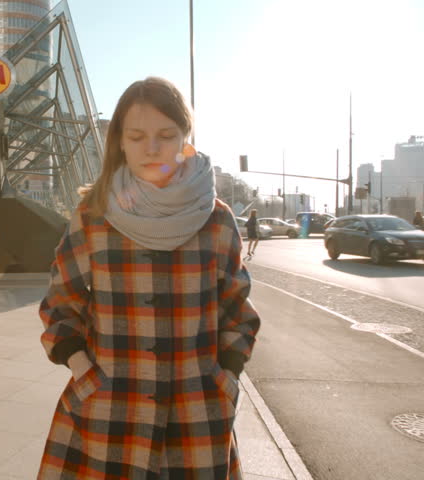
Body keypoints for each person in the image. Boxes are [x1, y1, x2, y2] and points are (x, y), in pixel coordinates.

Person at [38, 77, 260, 479]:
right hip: (109, 412)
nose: (152, 148)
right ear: (120, 142)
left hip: (196, 415)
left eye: (166, 135)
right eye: (137, 136)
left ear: (184, 140)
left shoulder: (217, 218)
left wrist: (225, 379)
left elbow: (237, 311)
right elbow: (60, 303)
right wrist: (82, 371)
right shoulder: (94, 213)